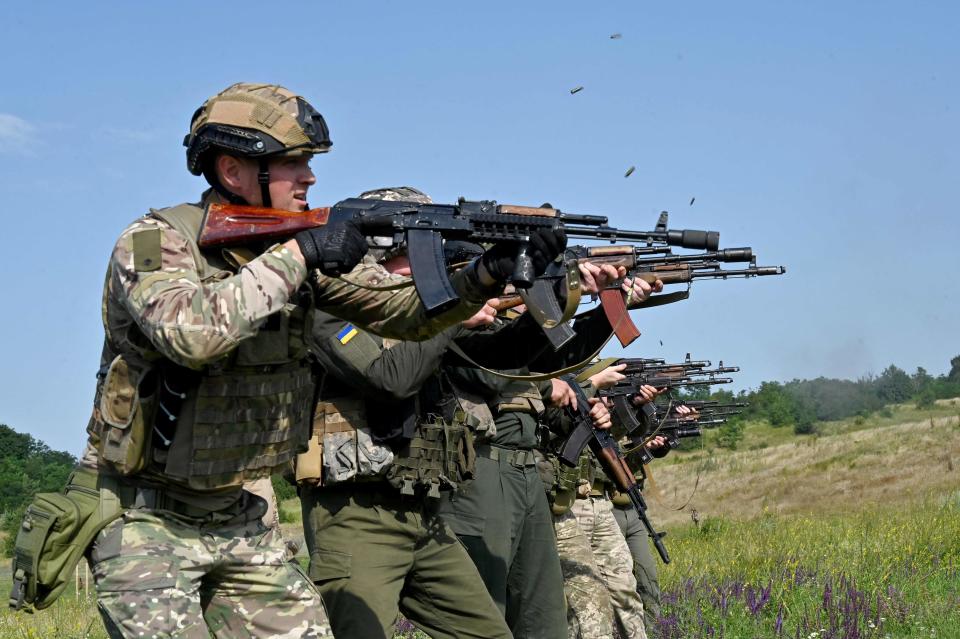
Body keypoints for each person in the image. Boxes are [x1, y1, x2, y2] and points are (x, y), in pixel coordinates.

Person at [66, 83, 564, 639]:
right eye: (294, 164)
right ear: (233, 170)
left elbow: (399, 312)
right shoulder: (154, 241)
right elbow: (191, 334)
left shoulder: (296, 246)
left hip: (237, 513)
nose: (310, 178)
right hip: (143, 515)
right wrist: (300, 254)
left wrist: (480, 277)